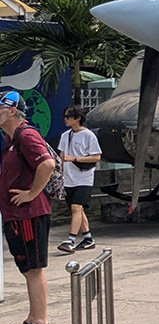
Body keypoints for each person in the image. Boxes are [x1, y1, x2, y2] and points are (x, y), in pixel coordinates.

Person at [0, 88, 56, 324]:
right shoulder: (12, 140)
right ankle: (33, 318)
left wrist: (32, 193)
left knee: (34, 268)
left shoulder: (26, 134)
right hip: (16, 214)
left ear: (12, 110)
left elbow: (47, 164)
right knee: (27, 268)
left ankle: (41, 322)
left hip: (29, 214)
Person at [56, 104, 102, 254]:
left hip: (84, 177)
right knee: (77, 209)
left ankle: (70, 239)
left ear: (78, 118)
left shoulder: (88, 135)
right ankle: (88, 238)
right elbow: (62, 157)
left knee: (77, 207)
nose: (66, 119)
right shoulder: (65, 136)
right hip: (68, 177)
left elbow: (96, 156)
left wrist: (75, 158)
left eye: (69, 117)